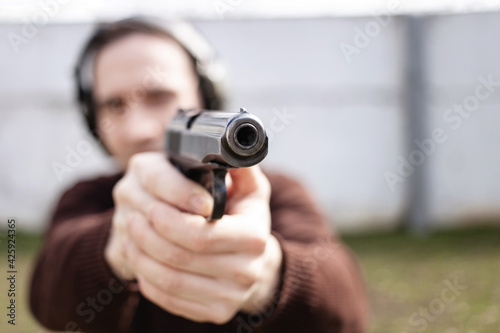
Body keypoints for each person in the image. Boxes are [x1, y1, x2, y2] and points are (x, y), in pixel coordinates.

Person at [30, 17, 369, 333]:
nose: (139, 129)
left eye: (159, 96)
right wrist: (117, 246)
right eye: (114, 105)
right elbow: (45, 299)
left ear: (205, 96)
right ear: (94, 121)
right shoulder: (86, 198)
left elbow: (347, 309)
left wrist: (269, 277)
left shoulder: (277, 191)